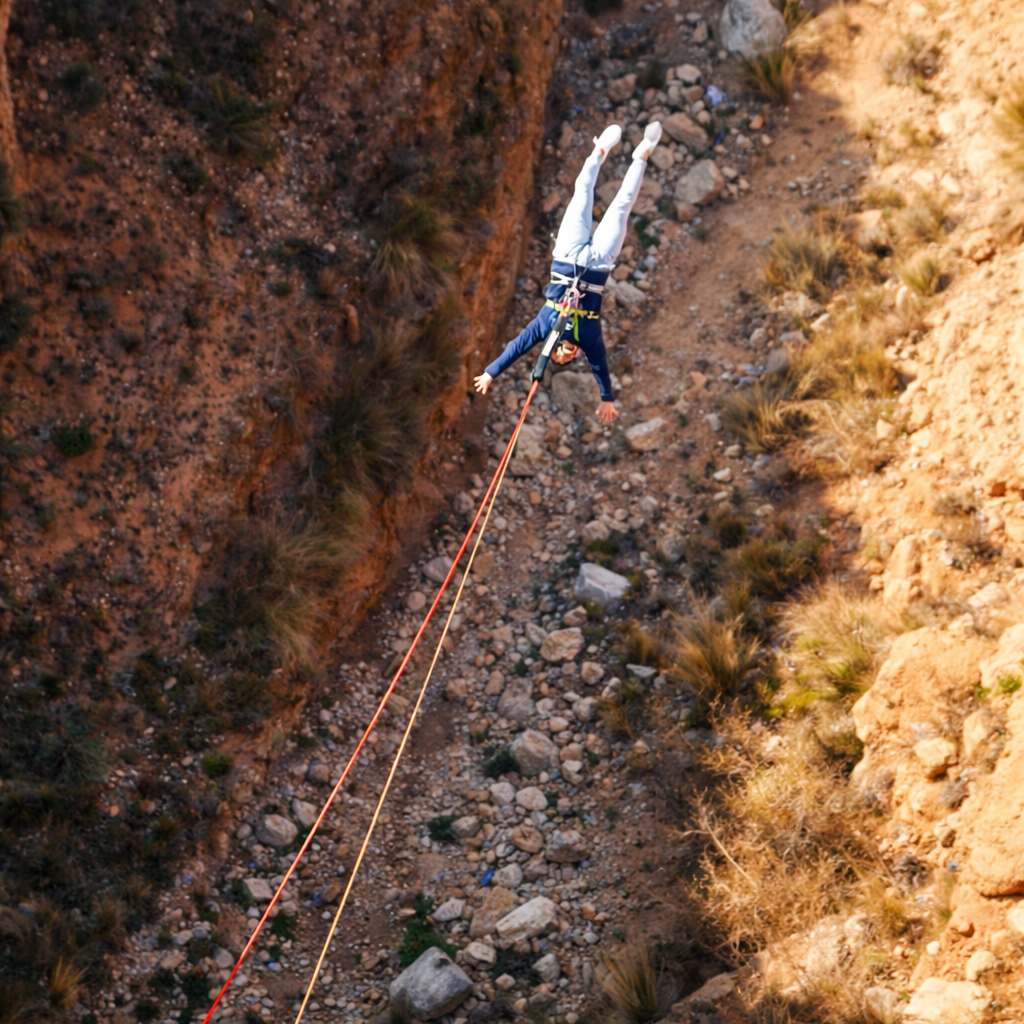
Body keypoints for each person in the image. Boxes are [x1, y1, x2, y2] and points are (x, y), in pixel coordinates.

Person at [474, 120, 663, 424]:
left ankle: (599, 149)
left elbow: (517, 346)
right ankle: (642, 153)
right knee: (621, 207)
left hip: (566, 253)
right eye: (565, 358)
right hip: (599, 262)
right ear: (574, 355)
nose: (561, 356)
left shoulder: (545, 325)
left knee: (581, 193)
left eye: (558, 358)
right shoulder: (588, 337)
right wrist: (606, 397)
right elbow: (600, 365)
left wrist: (490, 372)